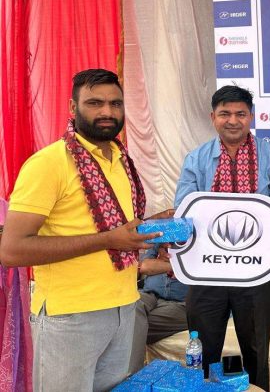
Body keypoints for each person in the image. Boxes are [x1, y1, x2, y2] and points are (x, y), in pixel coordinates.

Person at [0, 69, 161, 392]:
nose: (107, 112)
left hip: (124, 307)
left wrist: (158, 224)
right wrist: (109, 240)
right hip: (70, 316)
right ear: (73, 108)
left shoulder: (120, 158)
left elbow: (115, 229)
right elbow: (12, 250)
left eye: (115, 103)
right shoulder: (48, 163)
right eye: (95, 103)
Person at [174, 85, 270, 389]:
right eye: (225, 113)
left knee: (256, 350)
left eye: (240, 114)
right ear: (213, 117)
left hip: (254, 270)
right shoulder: (196, 159)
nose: (233, 120)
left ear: (251, 117)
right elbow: (184, 211)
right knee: (204, 350)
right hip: (206, 270)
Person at [128, 240, 188, 374]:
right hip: (149, 293)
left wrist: (163, 264)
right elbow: (145, 267)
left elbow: (198, 267)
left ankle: (133, 374)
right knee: (127, 308)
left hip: (182, 303)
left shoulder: (202, 240)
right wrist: (179, 266)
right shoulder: (160, 238)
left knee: (133, 324)